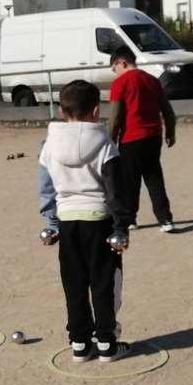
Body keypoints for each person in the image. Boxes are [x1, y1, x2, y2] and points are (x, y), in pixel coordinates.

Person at [38, 79, 133, 363]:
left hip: (68, 222)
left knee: (74, 284)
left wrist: (52, 223)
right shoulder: (106, 146)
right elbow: (116, 191)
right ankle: (106, 343)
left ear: (61, 110)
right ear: (96, 110)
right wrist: (121, 226)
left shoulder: (50, 145)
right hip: (99, 221)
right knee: (103, 283)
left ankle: (79, 343)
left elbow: (45, 188)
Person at [106, 46, 178, 233]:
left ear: (122, 63)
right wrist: (170, 132)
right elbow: (167, 110)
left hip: (131, 137)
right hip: (153, 136)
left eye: (114, 68)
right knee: (154, 178)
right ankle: (165, 220)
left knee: (130, 180)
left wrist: (110, 140)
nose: (115, 72)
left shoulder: (120, 83)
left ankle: (130, 219)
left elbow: (115, 116)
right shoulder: (153, 80)